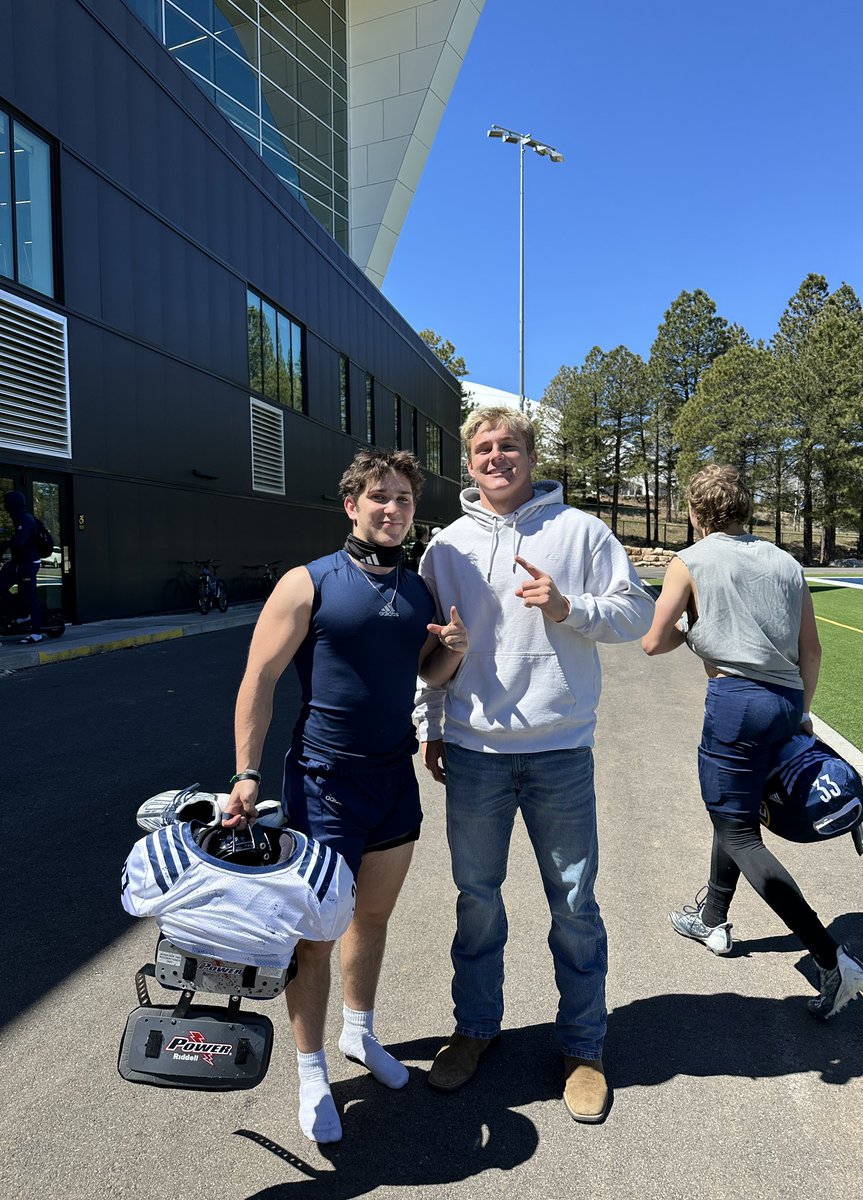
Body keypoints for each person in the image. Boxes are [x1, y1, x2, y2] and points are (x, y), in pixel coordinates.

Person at [416, 406, 654, 1124]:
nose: (497, 457)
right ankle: (475, 1029)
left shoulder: (581, 532)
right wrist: (429, 724)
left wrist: (567, 606)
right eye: (484, 448)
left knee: (575, 908)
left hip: (559, 751)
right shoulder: (445, 546)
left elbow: (637, 614)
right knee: (477, 902)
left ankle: (584, 1047)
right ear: (470, 462)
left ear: (530, 454)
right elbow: (423, 652)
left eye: (509, 446)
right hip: (476, 751)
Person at [224, 448, 468, 1143]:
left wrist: (456, 646)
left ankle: (360, 1034)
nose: (392, 509)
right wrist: (246, 773)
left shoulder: (418, 590)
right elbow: (258, 681)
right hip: (323, 782)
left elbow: (428, 672)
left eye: (403, 500)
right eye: (379, 497)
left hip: (393, 779)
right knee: (316, 936)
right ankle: (310, 1070)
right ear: (351, 504)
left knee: (375, 917)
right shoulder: (309, 583)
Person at [641, 463, 863, 1019]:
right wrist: (804, 713)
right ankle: (713, 918)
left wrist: (692, 629)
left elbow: (653, 642)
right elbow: (811, 651)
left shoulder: (690, 560)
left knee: (739, 832)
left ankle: (831, 959)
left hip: (735, 704)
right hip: (786, 700)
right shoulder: (785, 561)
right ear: (747, 510)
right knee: (737, 815)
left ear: (695, 514)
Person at [0, 490, 43, 643]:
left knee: (30, 595)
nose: (5, 505)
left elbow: (19, 542)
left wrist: (4, 544)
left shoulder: (25, 520)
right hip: (17, 562)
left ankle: (36, 633)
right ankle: (22, 612)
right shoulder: (17, 518)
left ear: (13, 504)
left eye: (7, 502)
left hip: (28, 563)